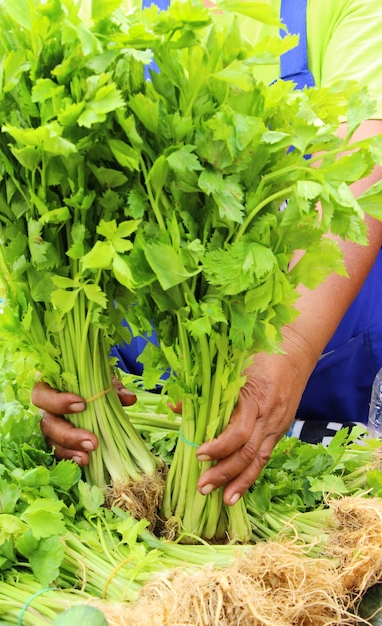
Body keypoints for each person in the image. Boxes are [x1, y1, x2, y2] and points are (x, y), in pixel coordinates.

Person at [32, 0, 382, 507]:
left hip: (330, 404)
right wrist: (71, 363)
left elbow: (363, 160)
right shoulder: (95, 12)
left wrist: (293, 339)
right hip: (144, 409)